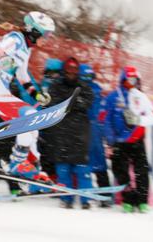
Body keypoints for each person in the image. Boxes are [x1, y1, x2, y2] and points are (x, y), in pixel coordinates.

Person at [0, 12, 56, 190]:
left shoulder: (25, 49)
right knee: (30, 116)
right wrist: (4, 60)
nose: (48, 38)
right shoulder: (16, 38)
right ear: (35, 31)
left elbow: (23, 77)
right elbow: (0, 50)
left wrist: (37, 95)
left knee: (33, 128)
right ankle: (16, 163)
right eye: (46, 34)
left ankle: (35, 168)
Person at [103, 66, 153, 213]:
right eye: (129, 79)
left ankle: (143, 201)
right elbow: (106, 121)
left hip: (137, 140)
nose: (132, 83)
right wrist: (110, 141)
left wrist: (138, 119)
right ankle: (127, 199)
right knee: (121, 172)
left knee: (142, 171)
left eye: (135, 80)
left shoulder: (141, 97)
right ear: (123, 80)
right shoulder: (113, 97)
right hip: (119, 142)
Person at [46, 57, 94, 209]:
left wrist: (72, 103)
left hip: (80, 133)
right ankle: (66, 198)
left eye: (74, 70)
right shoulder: (56, 85)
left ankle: (86, 198)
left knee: (82, 169)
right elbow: (54, 103)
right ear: (64, 70)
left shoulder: (84, 86)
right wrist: (72, 103)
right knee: (63, 169)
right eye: (69, 69)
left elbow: (88, 101)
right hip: (61, 133)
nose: (71, 73)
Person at [80, 63, 113, 207]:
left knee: (100, 165)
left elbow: (102, 114)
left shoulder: (97, 91)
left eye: (90, 76)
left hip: (95, 132)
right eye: (85, 76)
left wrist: (106, 134)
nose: (87, 79)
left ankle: (105, 195)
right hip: (81, 131)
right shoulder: (77, 90)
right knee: (82, 165)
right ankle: (85, 194)